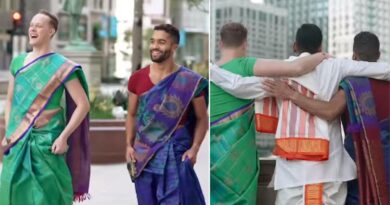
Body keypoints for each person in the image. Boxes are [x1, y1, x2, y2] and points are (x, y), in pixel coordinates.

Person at [211, 24, 390, 204]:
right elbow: (383, 70)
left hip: (292, 173)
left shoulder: (280, 74)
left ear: (295, 46)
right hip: (331, 170)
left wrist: (214, 71)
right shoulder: (337, 66)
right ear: (320, 47)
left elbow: (238, 86)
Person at [263, 31, 390, 205]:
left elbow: (330, 111)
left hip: (360, 163)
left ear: (354, 55)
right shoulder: (352, 72)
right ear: (379, 55)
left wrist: (290, 94)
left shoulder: (352, 84)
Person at [210, 22, 328, 205]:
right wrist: (322, 56)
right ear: (245, 44)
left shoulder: (211, 74)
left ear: (220, 43)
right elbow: (296, 68)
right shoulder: (246, 66)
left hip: (210, 154)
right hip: (237, 162)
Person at [0, 10, 91, 205]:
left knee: (48, 196)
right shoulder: (17, 63)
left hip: (47, 143)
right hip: (17, 140)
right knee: (13, 193)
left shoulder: (61, 66)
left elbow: (83, 105)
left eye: (39, 25)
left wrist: (63, 136)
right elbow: (9, 101)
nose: (32, 28)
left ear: (51, 31)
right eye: (31, 25)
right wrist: (9, 130)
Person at [125, 24, 208, 205]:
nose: (155, 46)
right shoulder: (137, 78)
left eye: (161, 42)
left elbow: (202, 117)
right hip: (143, 155)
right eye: (152, 41)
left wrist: (195, 148)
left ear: (174, 47)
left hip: (176, 151)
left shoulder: (190, 81)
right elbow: (131, 114)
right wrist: (128, 145)